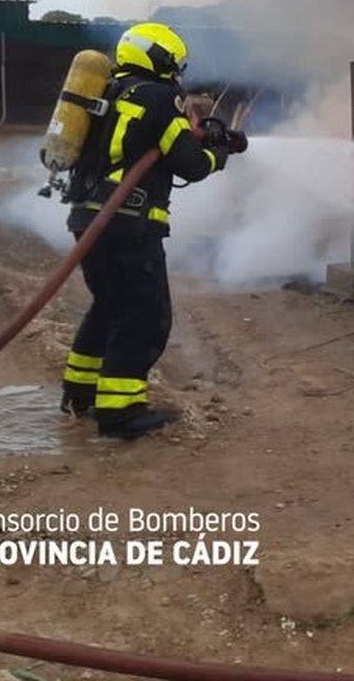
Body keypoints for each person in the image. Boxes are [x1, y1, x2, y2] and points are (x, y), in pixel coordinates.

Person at [58, 22, 244, 440]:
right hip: (129, 226)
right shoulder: (161, 98)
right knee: (144, 316)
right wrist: (219, 152)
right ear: (158, 59)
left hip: (89, 221)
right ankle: (120, 412)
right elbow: (191, 165)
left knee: (107, 307)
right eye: (173, 63)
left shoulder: (107, 91)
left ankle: (79, 392)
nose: (176, 72)